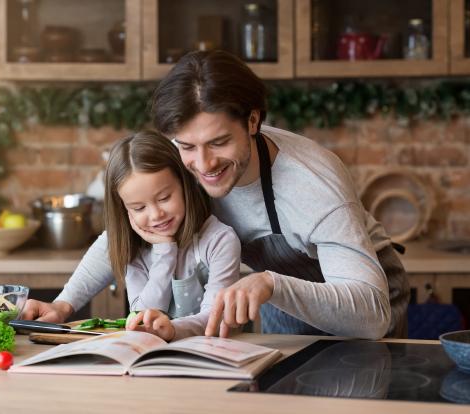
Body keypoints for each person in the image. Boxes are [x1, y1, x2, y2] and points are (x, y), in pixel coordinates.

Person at [22, 50, 409, 340]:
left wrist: (272, 284)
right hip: (279, 298)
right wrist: (64, 304)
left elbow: (371, 316)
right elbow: (120, 235)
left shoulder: (312, 184)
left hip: (362, 299)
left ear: (253, 120)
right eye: (187, 146)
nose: (203, 163)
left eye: (219, 142)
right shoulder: (182, 160)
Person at [41, 130, 241, 341]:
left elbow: (214, 319)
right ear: (124, 209)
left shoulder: (220, 241)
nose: (156, 215)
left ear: (185, 183)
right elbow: (140, 317)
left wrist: (172, 330)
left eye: (164, 198)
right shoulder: (131, 241)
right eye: (138, 207)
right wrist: (165, 250)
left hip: (213, 362)